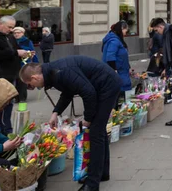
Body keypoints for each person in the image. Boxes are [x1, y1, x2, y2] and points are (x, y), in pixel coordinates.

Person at [20, 57, 122, 191]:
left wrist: (88, 118)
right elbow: (68, 92)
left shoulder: (60, 72)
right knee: (98, 131)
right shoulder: (53, 73)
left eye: (30, 85)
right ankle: (101, 173)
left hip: (107, 85)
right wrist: (55, 112)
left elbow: (88, 93)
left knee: (96, 132)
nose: (33, 88)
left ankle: (92, 184)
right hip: (100, 85)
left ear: (34, 78)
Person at [102, 22, 132, 98]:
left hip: (121, 70)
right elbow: (110, 57)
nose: (125, 33)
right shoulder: (114, 41)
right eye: (126, 31)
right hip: (119, 72)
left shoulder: (116, 39)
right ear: (122, 29)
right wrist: (114, 70)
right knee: (118, 94)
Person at [12, 27, 37, 103]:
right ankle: (16, 97)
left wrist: (35, 64)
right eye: (15, 33)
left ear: (22, 33)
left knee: (22, 81)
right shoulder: (11, 41)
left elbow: (32, 52)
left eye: (18, 33)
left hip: (24, 64)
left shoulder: (27, 41)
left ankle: (22, 98)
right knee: (15, 81)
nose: (16, 34)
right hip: (14, 64)